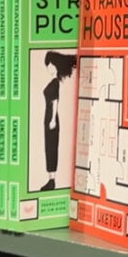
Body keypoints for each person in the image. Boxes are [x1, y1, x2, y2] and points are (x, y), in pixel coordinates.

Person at [40, 52, 77, 192]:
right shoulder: (52, 82)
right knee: (48, 148)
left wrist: (53, 119)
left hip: (51, 118)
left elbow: (55, 101)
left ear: (55, 66)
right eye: (47, 66)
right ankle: (50, 179)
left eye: (50, 66)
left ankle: (52, 181)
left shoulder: (55, 83)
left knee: (52, 148)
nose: (49, 69)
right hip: (48, 117)